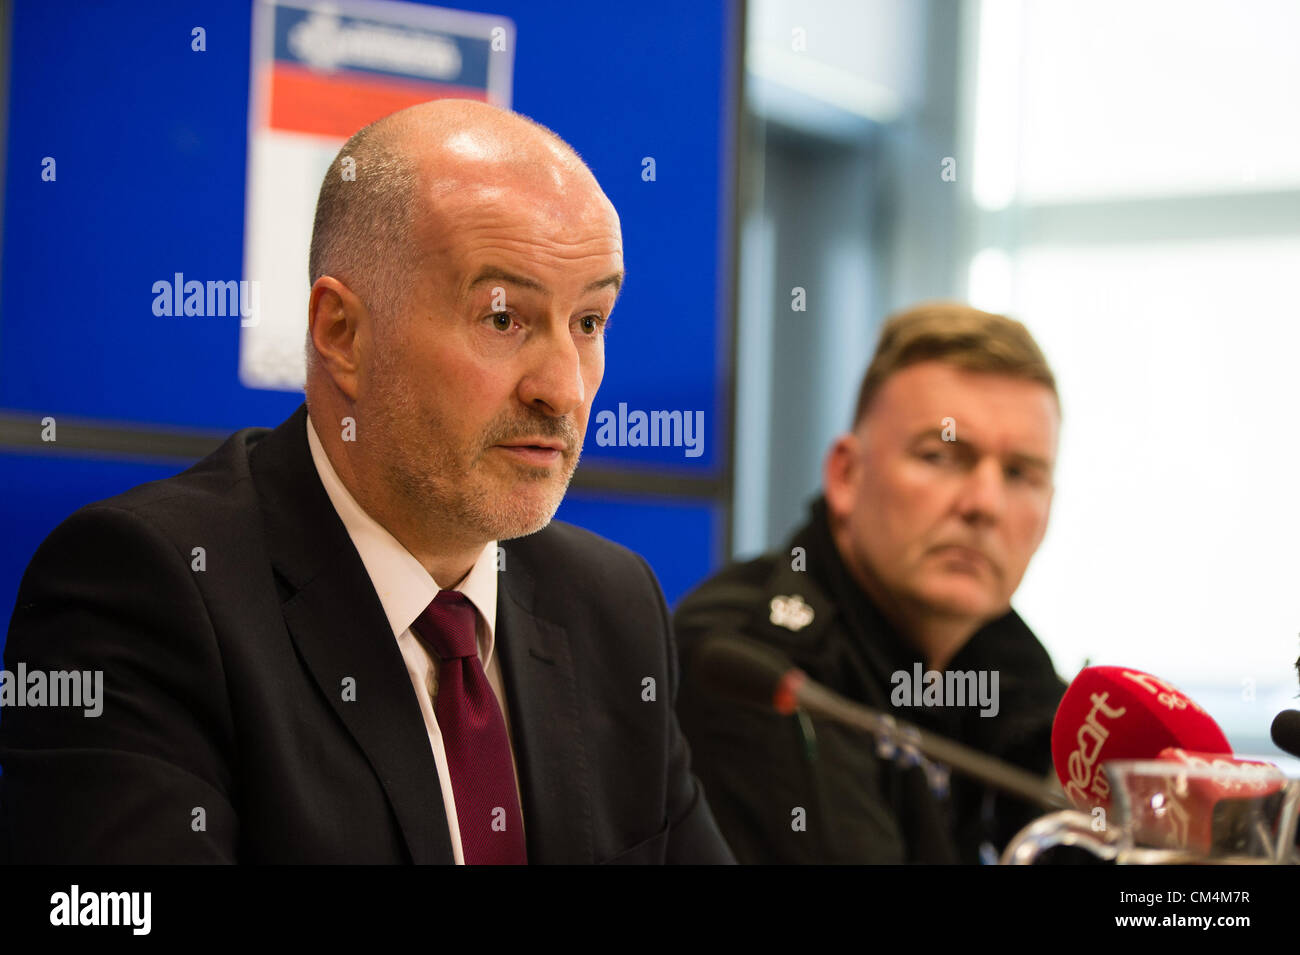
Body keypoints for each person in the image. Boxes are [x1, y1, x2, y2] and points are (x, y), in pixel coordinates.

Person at [0, 99, 733, 864]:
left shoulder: (611, 606)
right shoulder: (148, 588)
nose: (565, 389)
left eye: (588, 322)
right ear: (341, 333)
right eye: (503, 317)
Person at [674, 302, 1066, 863]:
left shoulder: (995, 652)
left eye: (1020, 474)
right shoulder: (752, 661)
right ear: (846, 475)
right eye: (941, 456)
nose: (985, 504)